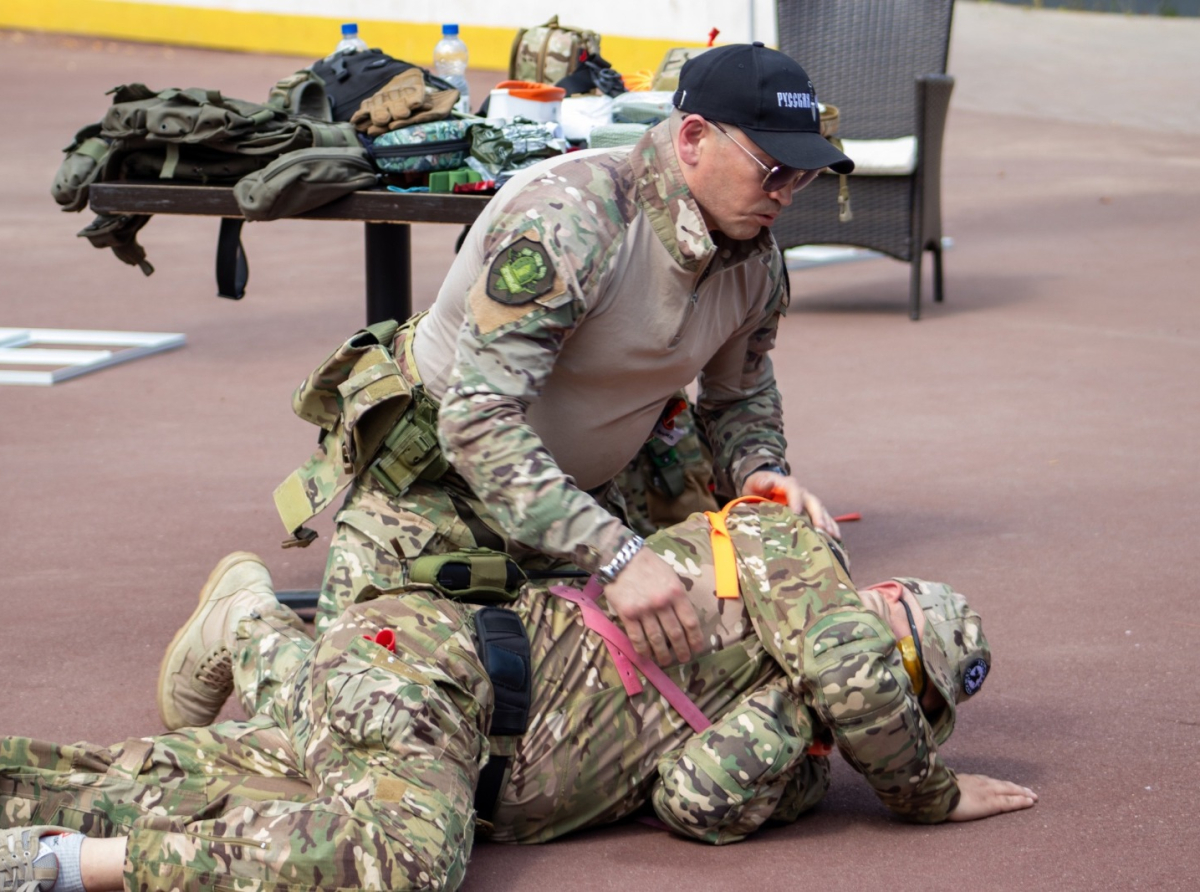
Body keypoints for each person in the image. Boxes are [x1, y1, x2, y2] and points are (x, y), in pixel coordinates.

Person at [1, 500, 1035, 892]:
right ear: (883, 599)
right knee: (399, 866)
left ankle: (32, 818)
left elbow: (696, 801)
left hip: (443, 740)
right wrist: (926, 792)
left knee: (171, 784)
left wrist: (798, 724)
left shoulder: (794, 741)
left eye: (910, 700)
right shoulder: (776, 551)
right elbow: (848, 669)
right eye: (900, 665)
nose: (882, 702)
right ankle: (57, 872)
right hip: (440, 673)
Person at [273, 43, 856, 668]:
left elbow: (739, 393)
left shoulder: (754, 259)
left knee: (608, 716)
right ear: (692, 138)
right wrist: (619, 554)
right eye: (773, 171)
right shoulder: (573, 220)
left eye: (805, 175)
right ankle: (245, 623)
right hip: (434, 493)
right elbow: (477, 422)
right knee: (359, 714)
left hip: (574, 506)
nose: (787, 194)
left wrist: (757, 469)